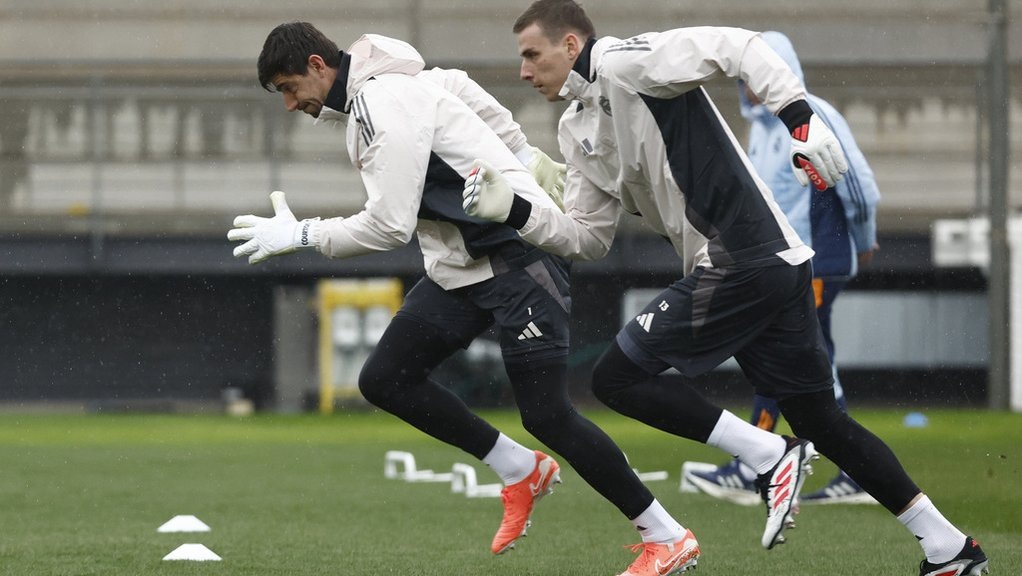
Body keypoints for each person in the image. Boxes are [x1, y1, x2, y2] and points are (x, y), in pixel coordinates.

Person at [462, 2, 990, 575]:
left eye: (531, 55)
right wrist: (516, 210)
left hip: (745, 256)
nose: (523, 71)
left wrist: (800, 120)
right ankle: (950, 549)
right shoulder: (575, 127)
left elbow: (742, 47)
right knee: (821, 422)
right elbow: (589, 238)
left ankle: (768, 453)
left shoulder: (624, 62)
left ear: (570, 45)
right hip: (766, 264)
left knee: (615, 378)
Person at [231, 21, 701, 575]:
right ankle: (520, 469)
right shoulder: (392, 85)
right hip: (464, 268)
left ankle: (666, 534)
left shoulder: (382, 98)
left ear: (317, 65)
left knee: (548, 416)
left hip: (518, 257)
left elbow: (387, 226)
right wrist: (526, 156)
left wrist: (302, 235)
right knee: (385, 378)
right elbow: (465, 91)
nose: (290, 104)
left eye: (289, 88)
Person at [685, 30, 882, 506]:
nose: (751, 83)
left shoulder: (813, 114)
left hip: (818, 261)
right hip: (783, 265)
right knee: (796, 357)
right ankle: (785, 465)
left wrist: (863, 240)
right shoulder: (759, 126)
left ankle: (765, 466)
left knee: (796, 358)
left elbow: (858, 186)